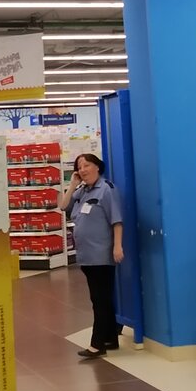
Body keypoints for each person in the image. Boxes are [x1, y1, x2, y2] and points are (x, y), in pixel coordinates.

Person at [58, 152, 123, 358]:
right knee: (102, 298)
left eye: (86, 165)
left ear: (97, 167)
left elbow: (117, 221)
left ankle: (97, 344)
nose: (83, 170)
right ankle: (111, 338)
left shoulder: (106, 189)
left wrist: (118, 246)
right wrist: (72, 185)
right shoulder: (82, 191)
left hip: (101, 254)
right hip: (86, 255)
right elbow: (63, 206)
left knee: (99, 300)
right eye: (79, 167)